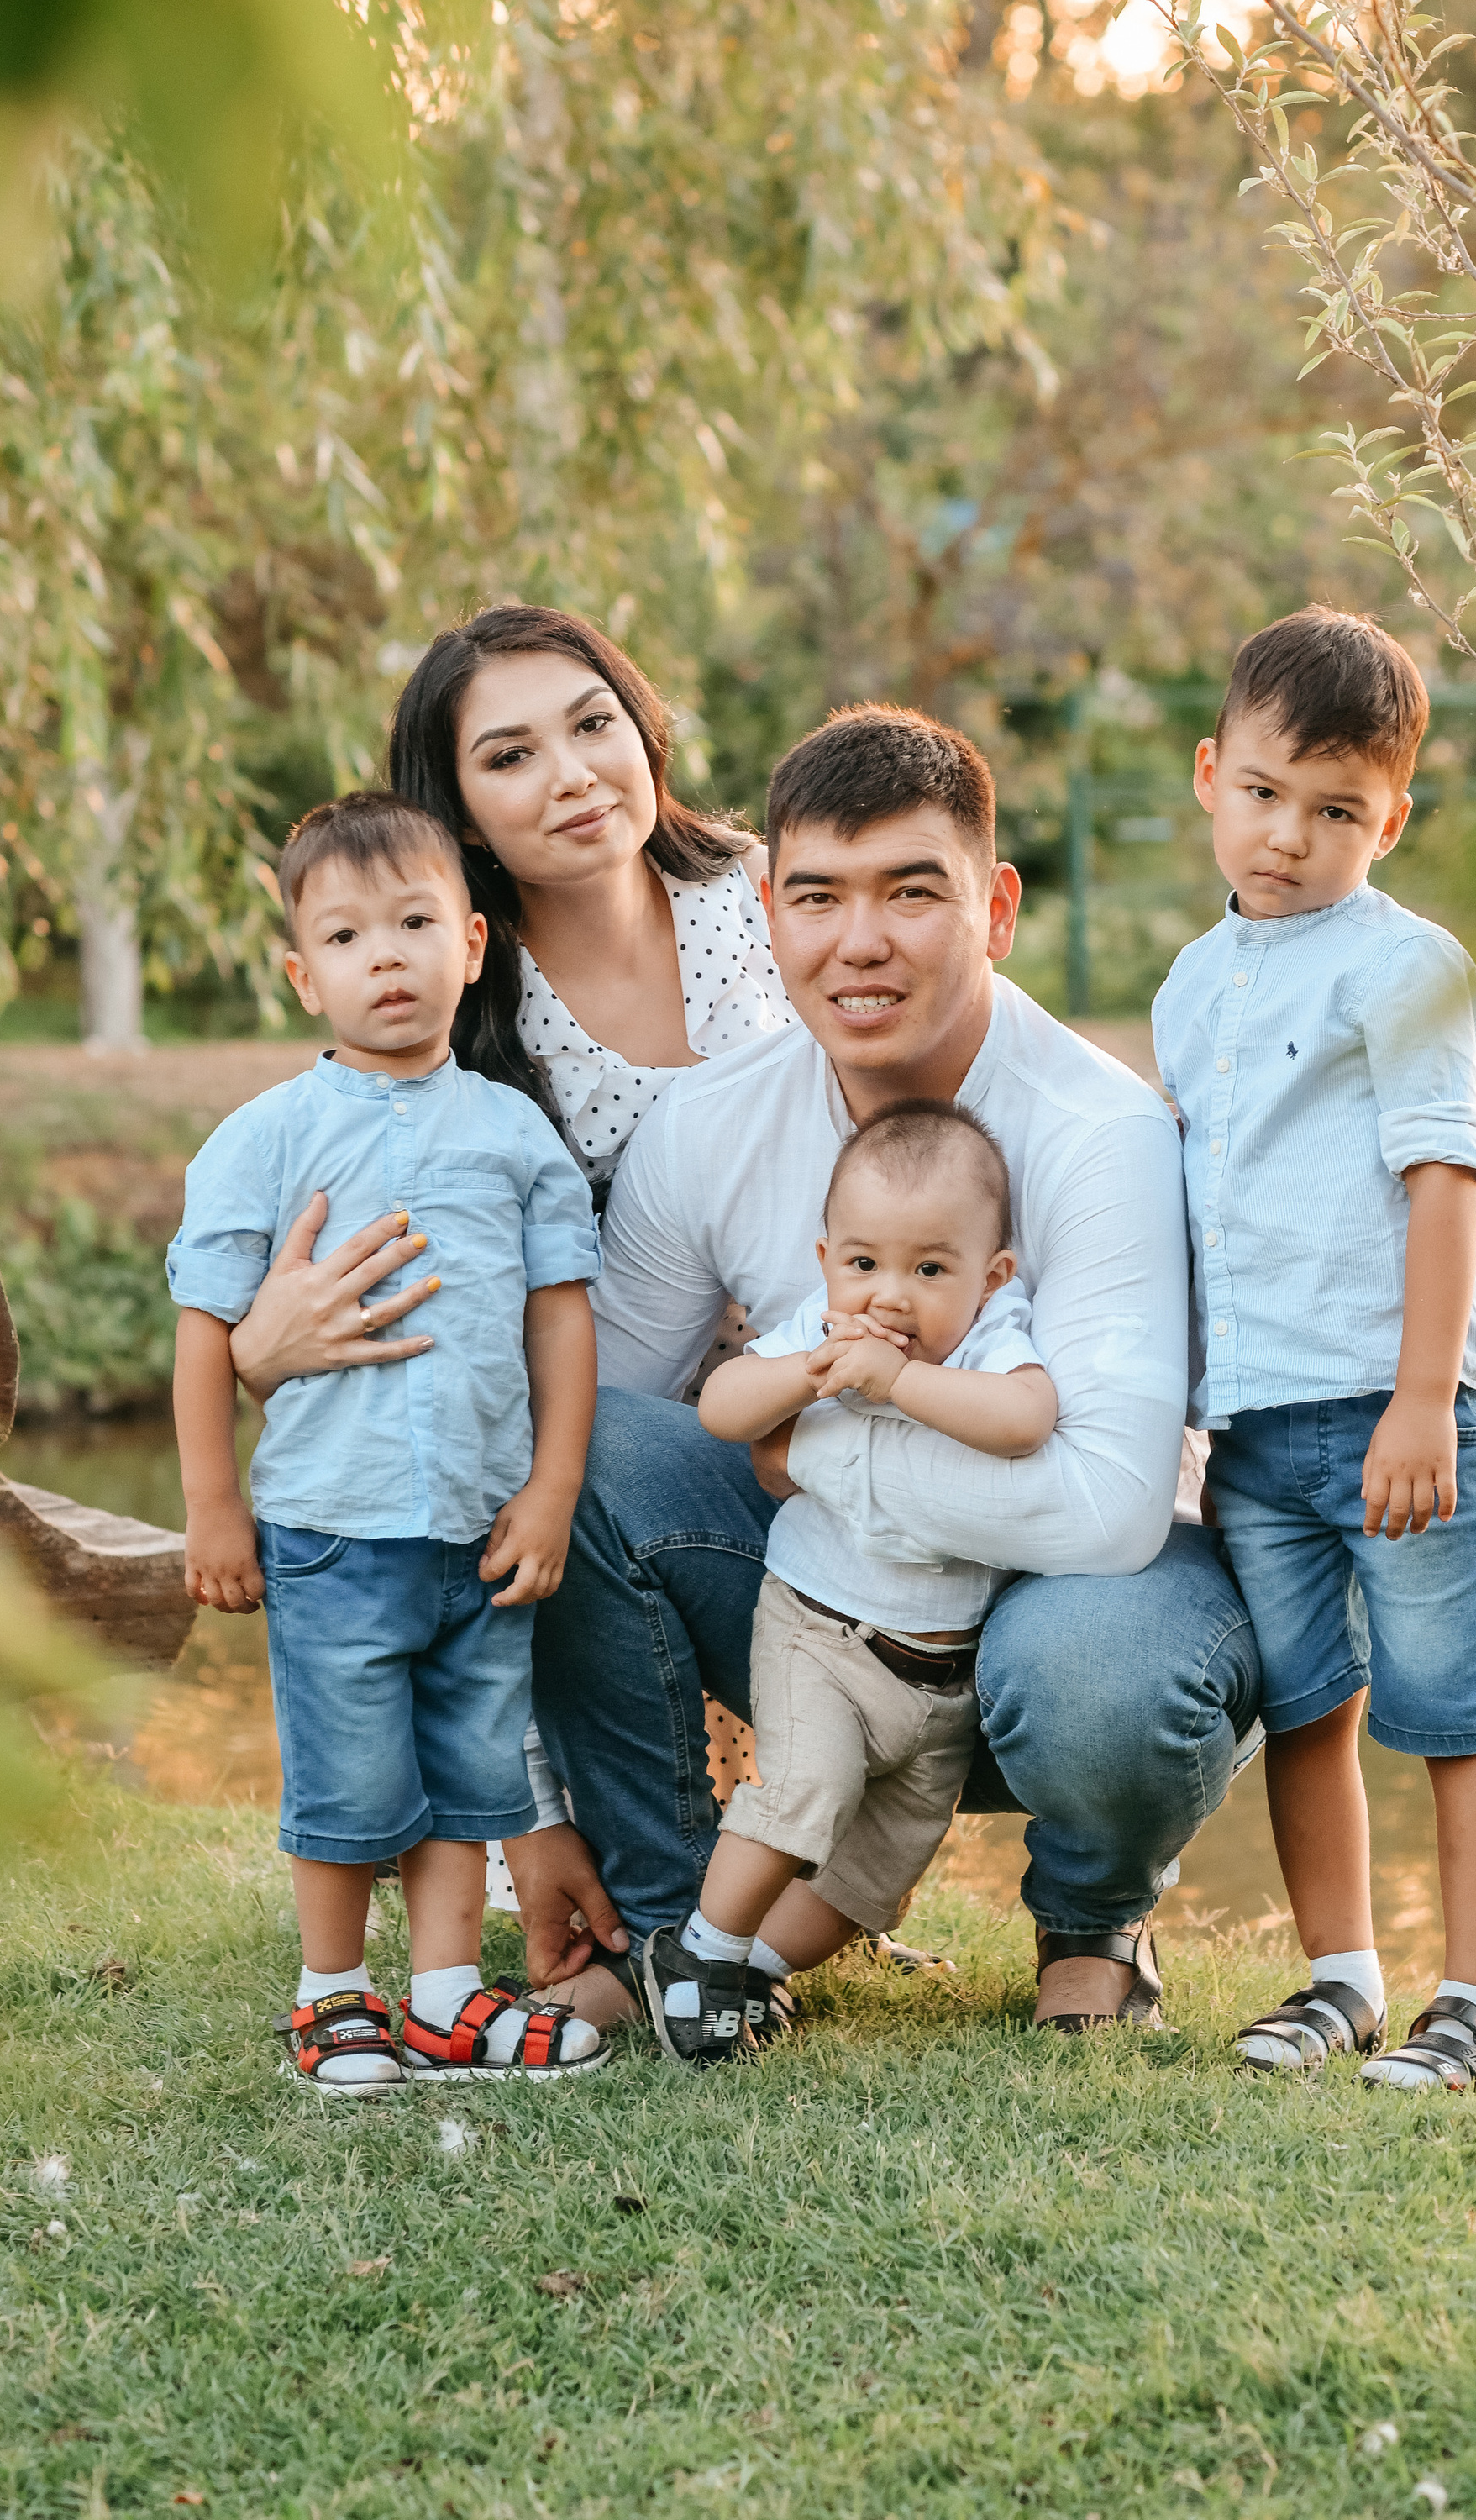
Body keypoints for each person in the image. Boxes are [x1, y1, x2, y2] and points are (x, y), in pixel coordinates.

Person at [525, 703, 1262, 2037]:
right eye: (817, 896)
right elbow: (599, 1449)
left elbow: (1104, 1512)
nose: (859, 941)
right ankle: (680, 1929)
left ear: (996, 910)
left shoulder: (1099, 1133)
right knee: (574, 1461)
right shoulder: (709, 1126)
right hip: (833, 1622)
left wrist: (810, 1453)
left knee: (1105, 1676)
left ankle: (1093, 1918)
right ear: (766, 911)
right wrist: (528, 1806)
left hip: (1069, 1611)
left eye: (911, 892)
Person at [220, 605, 795, 1944]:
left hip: (828, 1398)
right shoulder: (460, 1018)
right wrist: (257, 1350)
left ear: (645, 727)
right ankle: (583, 1859)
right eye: (511, 755)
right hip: (595, 1445)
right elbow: (455, 1371)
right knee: (556, 1472)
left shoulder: (771, 901)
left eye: (594, 725)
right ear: (465, 813)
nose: (575, 776)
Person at [167, 792, 610, 2094]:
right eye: (352, 937)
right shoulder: (265, 1137)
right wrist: (210, 1511)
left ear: (472, 943)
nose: (390, 957)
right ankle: (328, 1996)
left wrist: (553, 1489)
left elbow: (560, 1323)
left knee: (473, 1768)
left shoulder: (514, 1132)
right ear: (307, 976)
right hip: (329, 1524)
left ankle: (444, 2000)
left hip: (479, 1526)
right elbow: (206, 1331)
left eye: (417, 923)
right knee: (350, 1776)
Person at [1153, 608, 1476, 2095]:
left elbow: (1445, 1185)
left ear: (1394, 818)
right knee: (1308, 1708)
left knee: (1455, 1706)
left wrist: (1429, 1399)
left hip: (1397, 1411)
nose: (1289, 838)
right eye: (1262, 795)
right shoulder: (1191, 989)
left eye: (1336, 813)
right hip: (1256, 1427)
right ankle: (1340, 1982)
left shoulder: (1411, 970)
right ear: (1208, 775)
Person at [649, 1099, 1058, 2063]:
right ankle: (700, 1956)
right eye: (864, 1263)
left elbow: (1026, 1419)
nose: (889, 1296)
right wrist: (810, 1372)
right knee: (802, 1794)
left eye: (929, 1269)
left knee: (877, 1876)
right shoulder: (819, 1331)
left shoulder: (993, 1339)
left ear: (990, 1276)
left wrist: (897, 1383)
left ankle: (754, 1967)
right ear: (828, 1256)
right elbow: (722, 1406)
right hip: (817, 1632)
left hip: (941, 1676)